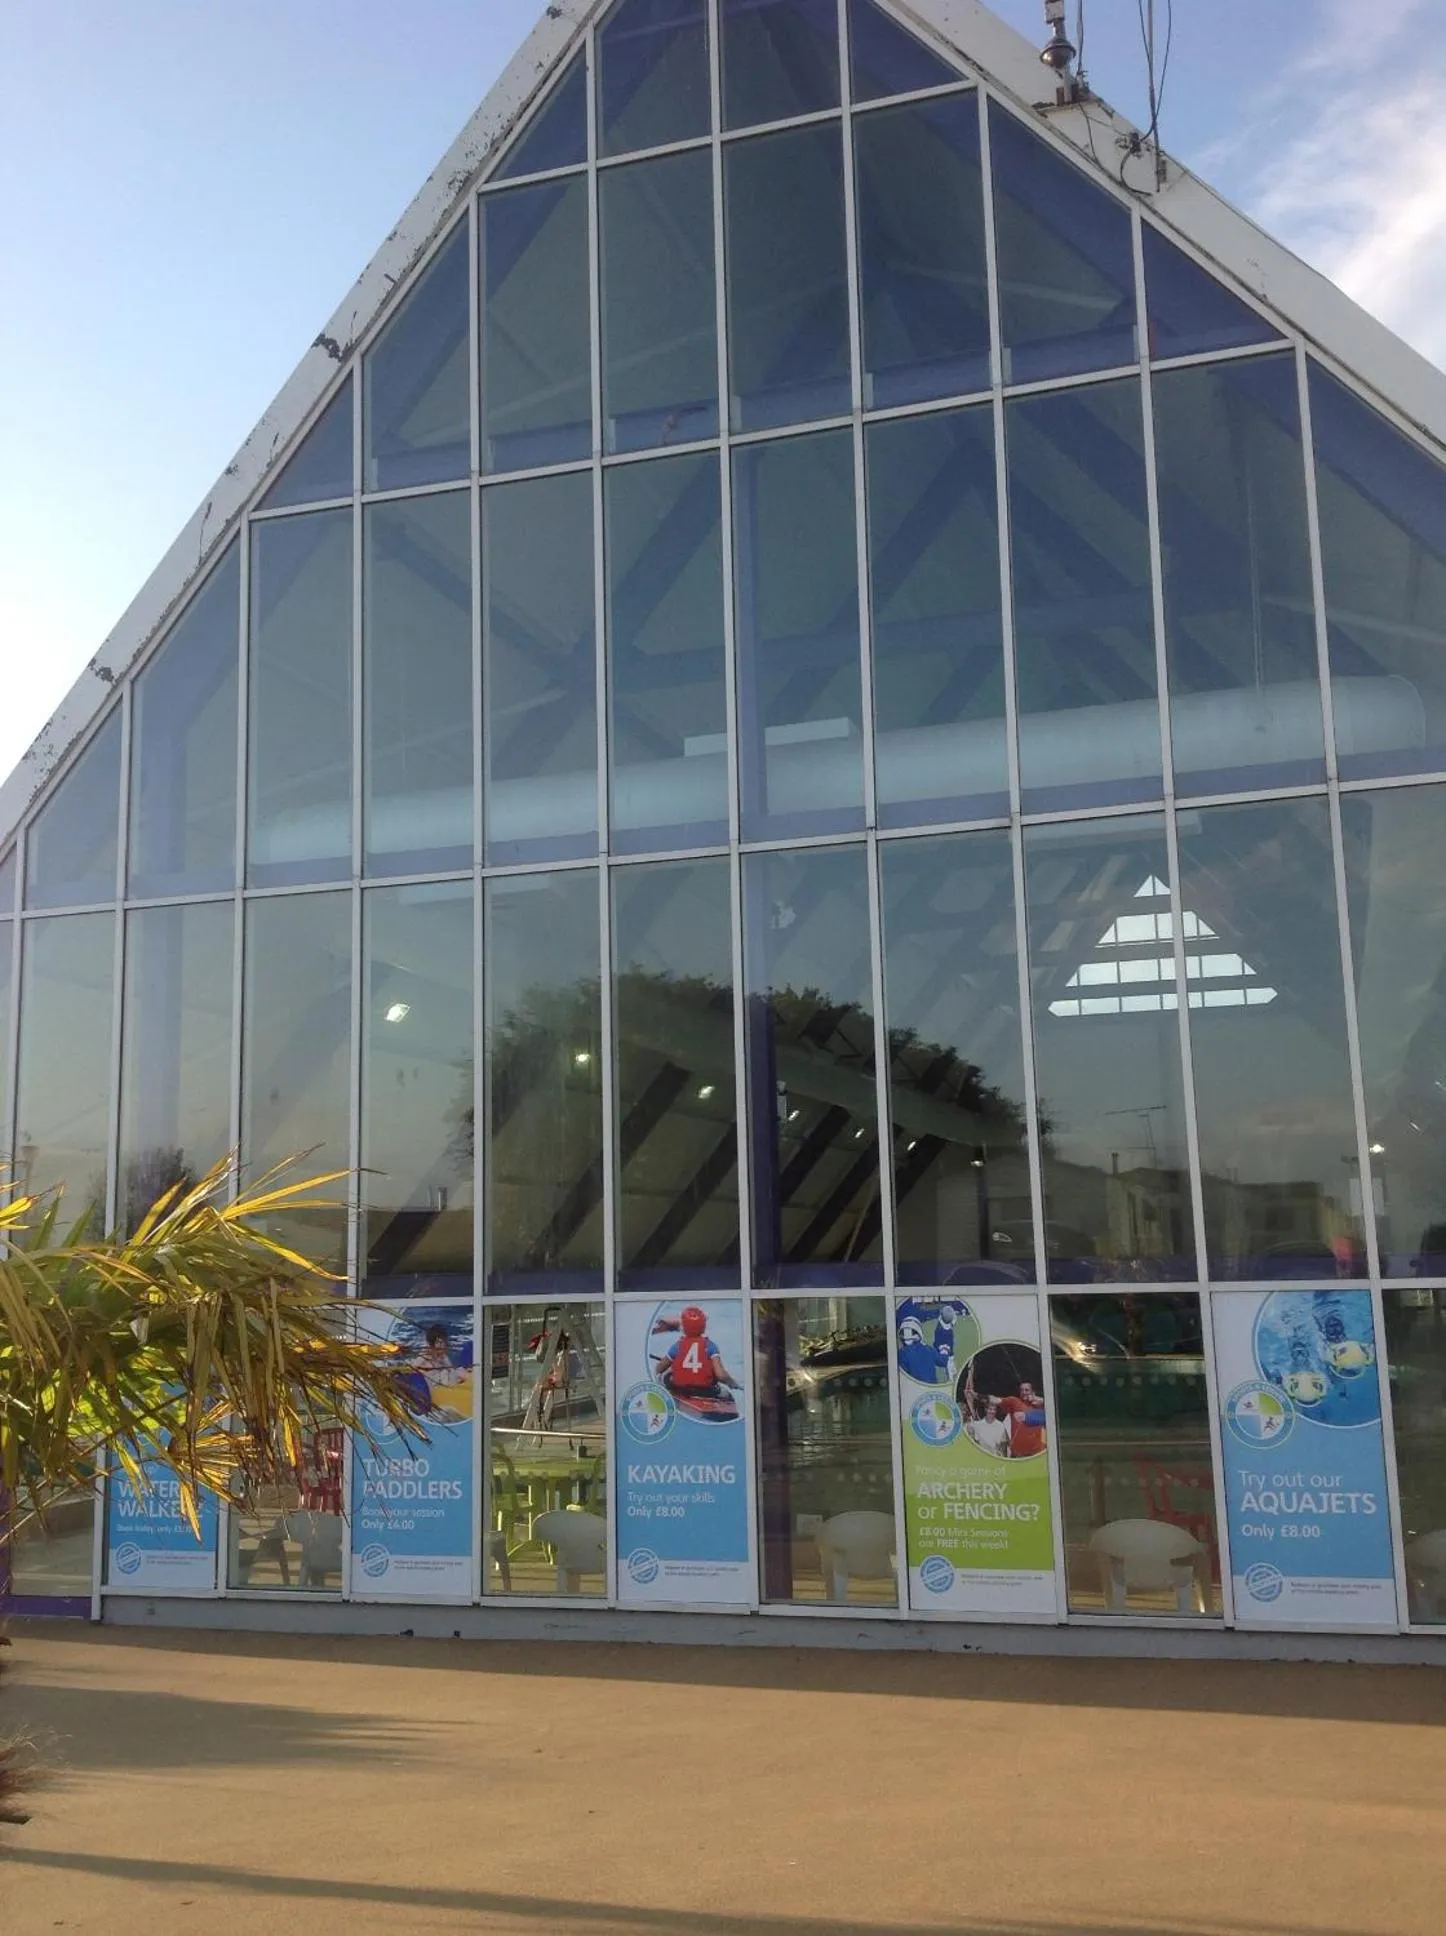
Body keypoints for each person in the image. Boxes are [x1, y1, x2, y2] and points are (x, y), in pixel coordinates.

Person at [656, 1305, 740, 1400]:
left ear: (683, 1327)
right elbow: (721, 1375)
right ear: (703, 1327)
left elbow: (659, 1368)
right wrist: (732, 1383)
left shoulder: (677, 1346)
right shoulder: (711, 1346)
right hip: (706, 1391)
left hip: (680, 1389)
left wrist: (673, 1368)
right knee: (726, 1394)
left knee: (665, 1376)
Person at [998, 1379, 1046, 1457]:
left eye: (1026, 1390)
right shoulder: (1015, 1402)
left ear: (1032, 1392)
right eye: (1021, 1390)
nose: (1024, 1392)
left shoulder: (1040, 1405)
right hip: (1018, 1453)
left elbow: (1053, 1411)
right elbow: (997, 1401)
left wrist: (1041, 1400)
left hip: (1036, 1453)